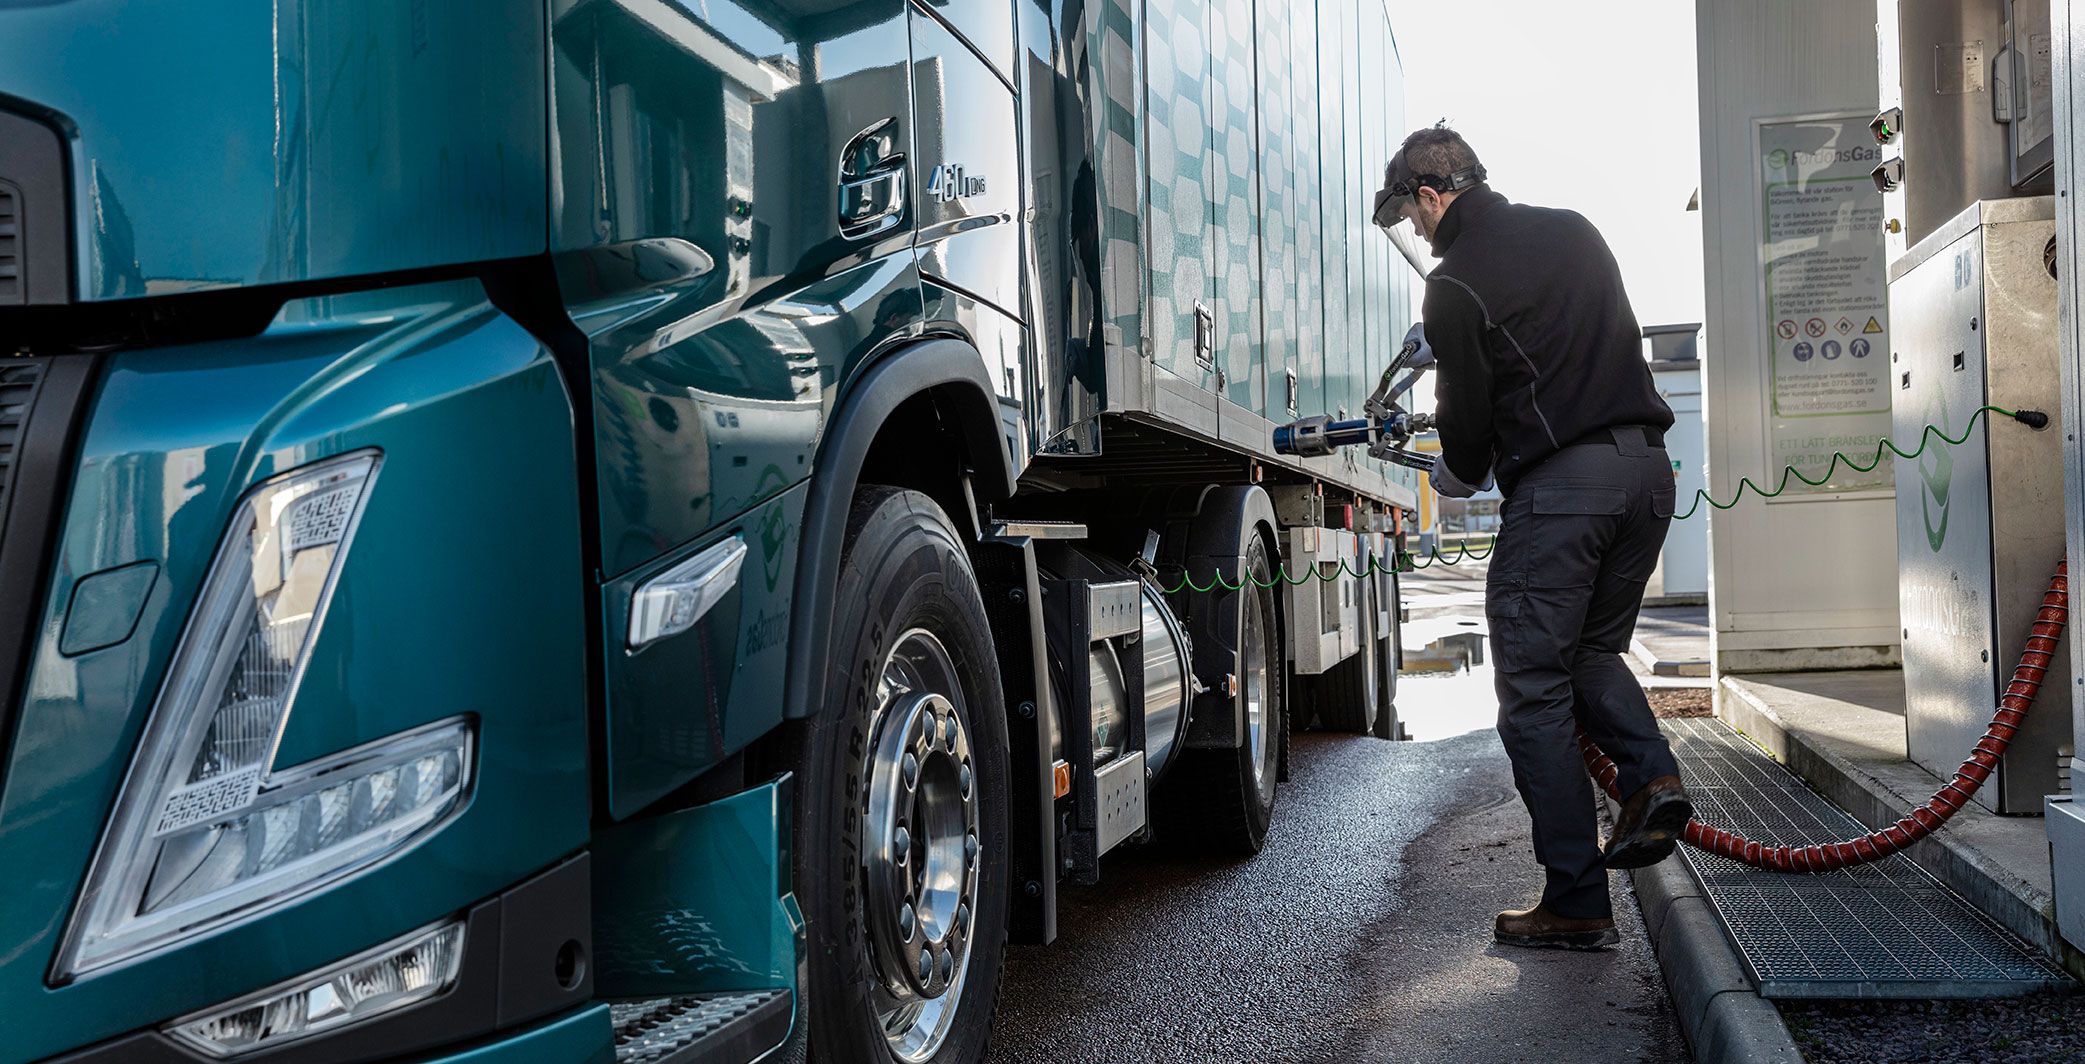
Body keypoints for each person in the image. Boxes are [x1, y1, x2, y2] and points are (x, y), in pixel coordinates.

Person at [1376, 125, 1693, 951]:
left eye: (1411, 216)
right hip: (1646, 476)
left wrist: (1448, 471)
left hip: (1563, 496)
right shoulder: (1573, 229)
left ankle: (1576, 900)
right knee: (1588, 654)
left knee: (1532, 695)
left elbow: (1471, 442)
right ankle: (1651, 777)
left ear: (1432, 195)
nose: (1415, 231)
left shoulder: (1453, 286)